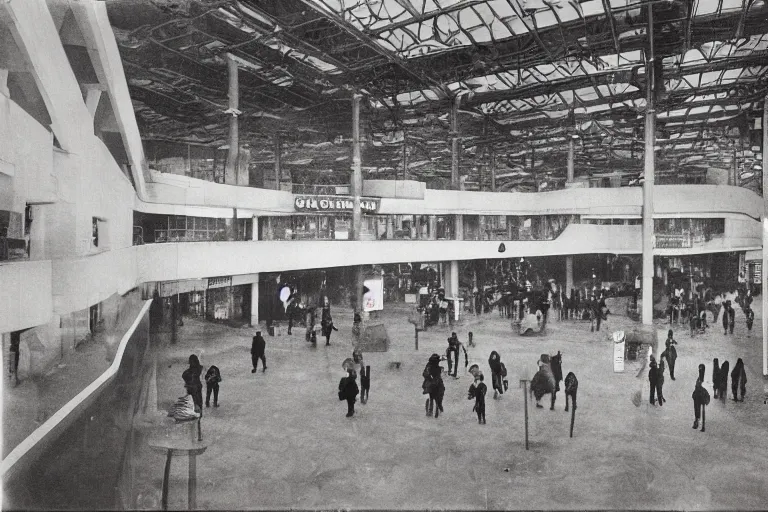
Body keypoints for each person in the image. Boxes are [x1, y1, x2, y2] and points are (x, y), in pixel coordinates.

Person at [422, 353, 445, 418]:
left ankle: (437, 411)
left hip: (437, 384)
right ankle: (430, 412)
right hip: (431, 385)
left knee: (437, 398)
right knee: (431, 398)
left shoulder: (434, 365)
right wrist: (431, 379)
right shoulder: (430, 365)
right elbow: (425, 374)